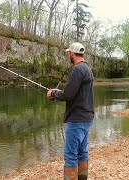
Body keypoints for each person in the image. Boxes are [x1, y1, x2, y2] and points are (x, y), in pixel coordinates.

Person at [46, 42, 94, 180]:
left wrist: (53, 94)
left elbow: (68, 95)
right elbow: (74, 92)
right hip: (86, 118)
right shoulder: (87, 69)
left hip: (77, 120)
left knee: (71, 155)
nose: (69, 55)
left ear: (72, 54)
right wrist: (58, 91)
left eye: (69, 53)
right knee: (82, 153)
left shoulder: (77, 69)